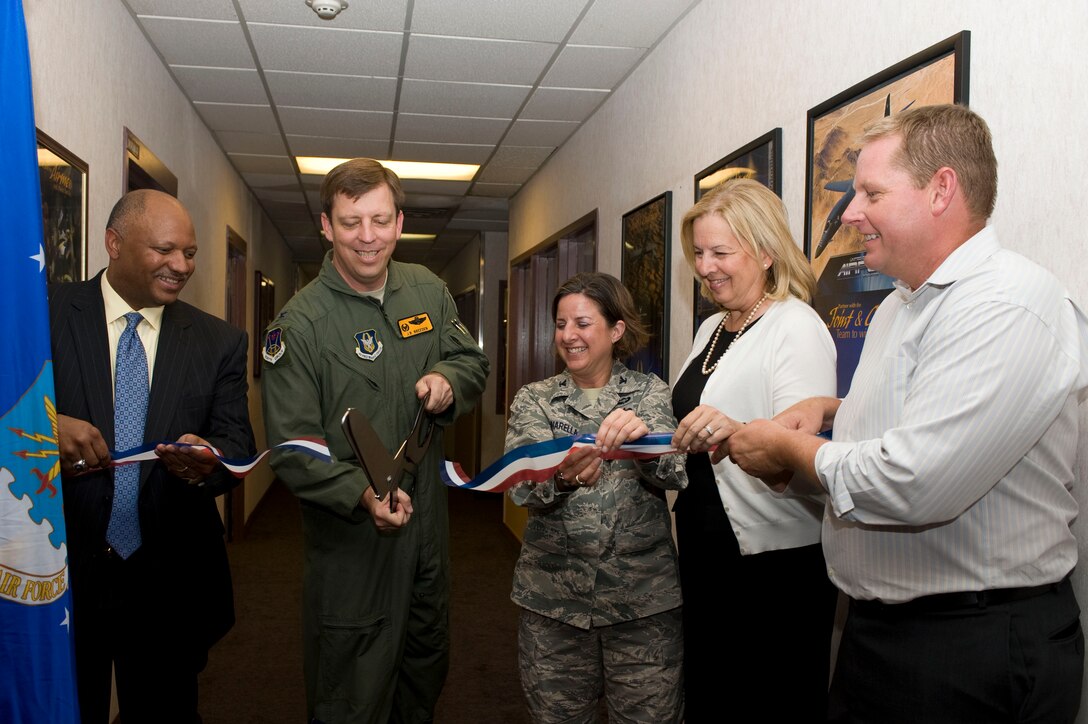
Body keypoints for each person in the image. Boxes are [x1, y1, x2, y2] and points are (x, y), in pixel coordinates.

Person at [728, 104, 1088, 724]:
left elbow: (916, 480)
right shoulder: (902, 305)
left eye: (871, 191)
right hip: (885, 637)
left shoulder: (1007, 304)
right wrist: (834, 411)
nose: (848, 211)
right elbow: (924, 411)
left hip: (970, 645)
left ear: (941, 189)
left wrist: (791, 452)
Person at [260, 158, 489, 723]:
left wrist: (448, 381)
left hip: (428, 522)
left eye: (381, 221)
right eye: (351, 222)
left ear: (400, 220)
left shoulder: (427, 289)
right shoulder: (299, 324)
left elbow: (470, 360)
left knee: (424, 664)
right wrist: (361, 494)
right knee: (352, 685)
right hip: (353, 538)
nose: (368, 237)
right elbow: (294, 447)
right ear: (326, 226)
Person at [50, 189, 256, 723]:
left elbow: (238, 446)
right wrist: (48, 425)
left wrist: (209, 458)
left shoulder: (220, 343)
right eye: (165, 251)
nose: (181, 266)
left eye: (189, 253)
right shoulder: (44, 316)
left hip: (169, 576)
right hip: (62, 572)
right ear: (113, 244)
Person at [668, 179, 838, 721]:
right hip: (706, 542)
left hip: (773, 564)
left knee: (768, 700)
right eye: (698, 252)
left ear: (765, 252)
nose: (706, 266)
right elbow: (694, 426)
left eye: (721, 252)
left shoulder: (795, 326)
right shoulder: (711, 328)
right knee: (712, 694)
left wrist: (732, 427)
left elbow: (801, 454)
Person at [505, 272, 687, 724]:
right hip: (554, 605)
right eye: (560, 324)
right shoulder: (536, 400)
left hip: (642, 604)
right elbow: (521, 487)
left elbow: (675, 473)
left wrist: (643, 446)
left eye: (582, 323)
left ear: (616, 330)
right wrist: (563, 480)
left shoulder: (650, 394)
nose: (568, 336)